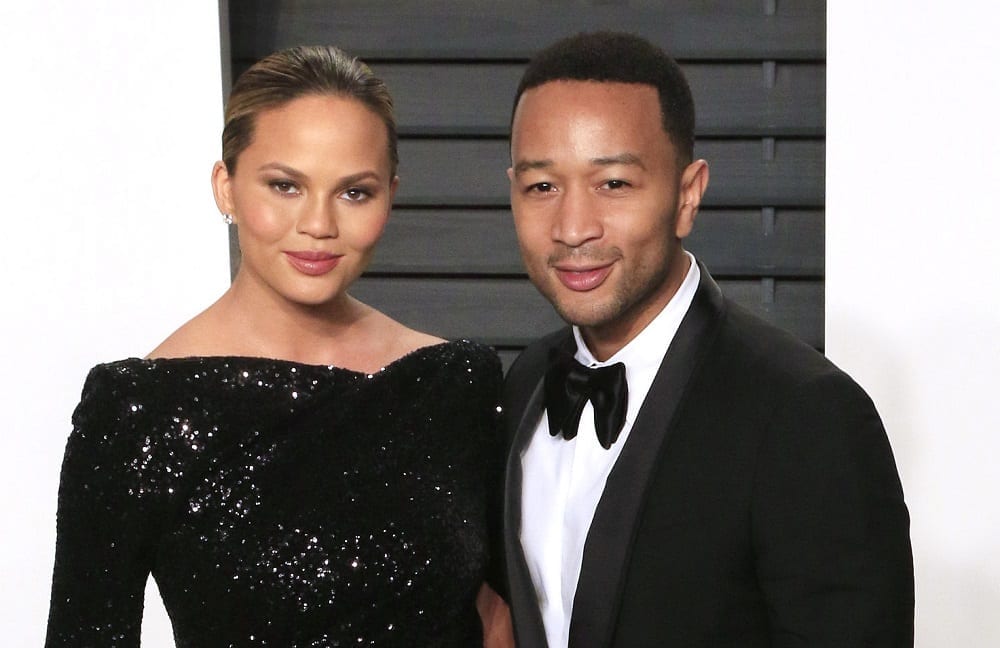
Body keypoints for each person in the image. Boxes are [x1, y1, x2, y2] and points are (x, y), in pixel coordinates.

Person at [45, 45, 511, 647]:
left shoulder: (453, 382)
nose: (318, 224)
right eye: (285, 186)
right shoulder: (138, 411)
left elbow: (497, 618)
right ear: (226, 187)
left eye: (354, 192)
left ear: (390, 195)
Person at [501, 32, 914, 647]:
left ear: (687, 195)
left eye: (613, 183)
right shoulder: (527, 383)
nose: (573, 228)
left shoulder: (807, 415)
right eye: (542, 187)